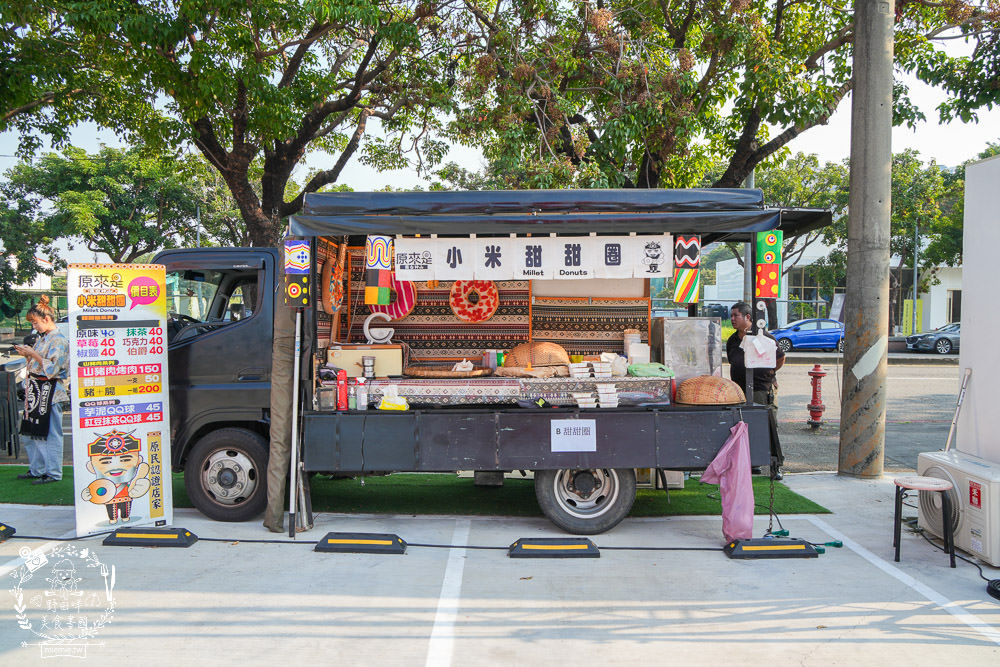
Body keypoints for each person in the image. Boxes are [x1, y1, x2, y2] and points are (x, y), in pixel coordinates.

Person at [14, 295, 69, 484]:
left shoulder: (58, 341)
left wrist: (33, 354)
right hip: (37, 390)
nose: (34, 327)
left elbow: (53, 370)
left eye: (36, 323)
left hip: (51, 391)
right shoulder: (44, 338)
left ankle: (53, 472)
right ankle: (37, 469)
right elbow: (38, 363)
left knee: (51, 433)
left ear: (46, 319)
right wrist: (28, 355)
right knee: (32, 432)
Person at [726, 301, 785, 478]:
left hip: (762, 389)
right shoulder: (733, 340)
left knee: (768, 427)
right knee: (745, 428)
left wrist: (769, 372)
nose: (732, 319)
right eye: (731, 316)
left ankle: (776, 466)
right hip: (740, 391)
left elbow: (780, 358)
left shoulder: (764, 337)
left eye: (735, 315)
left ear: (748, 317)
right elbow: (732, 360)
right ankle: (754, 463)